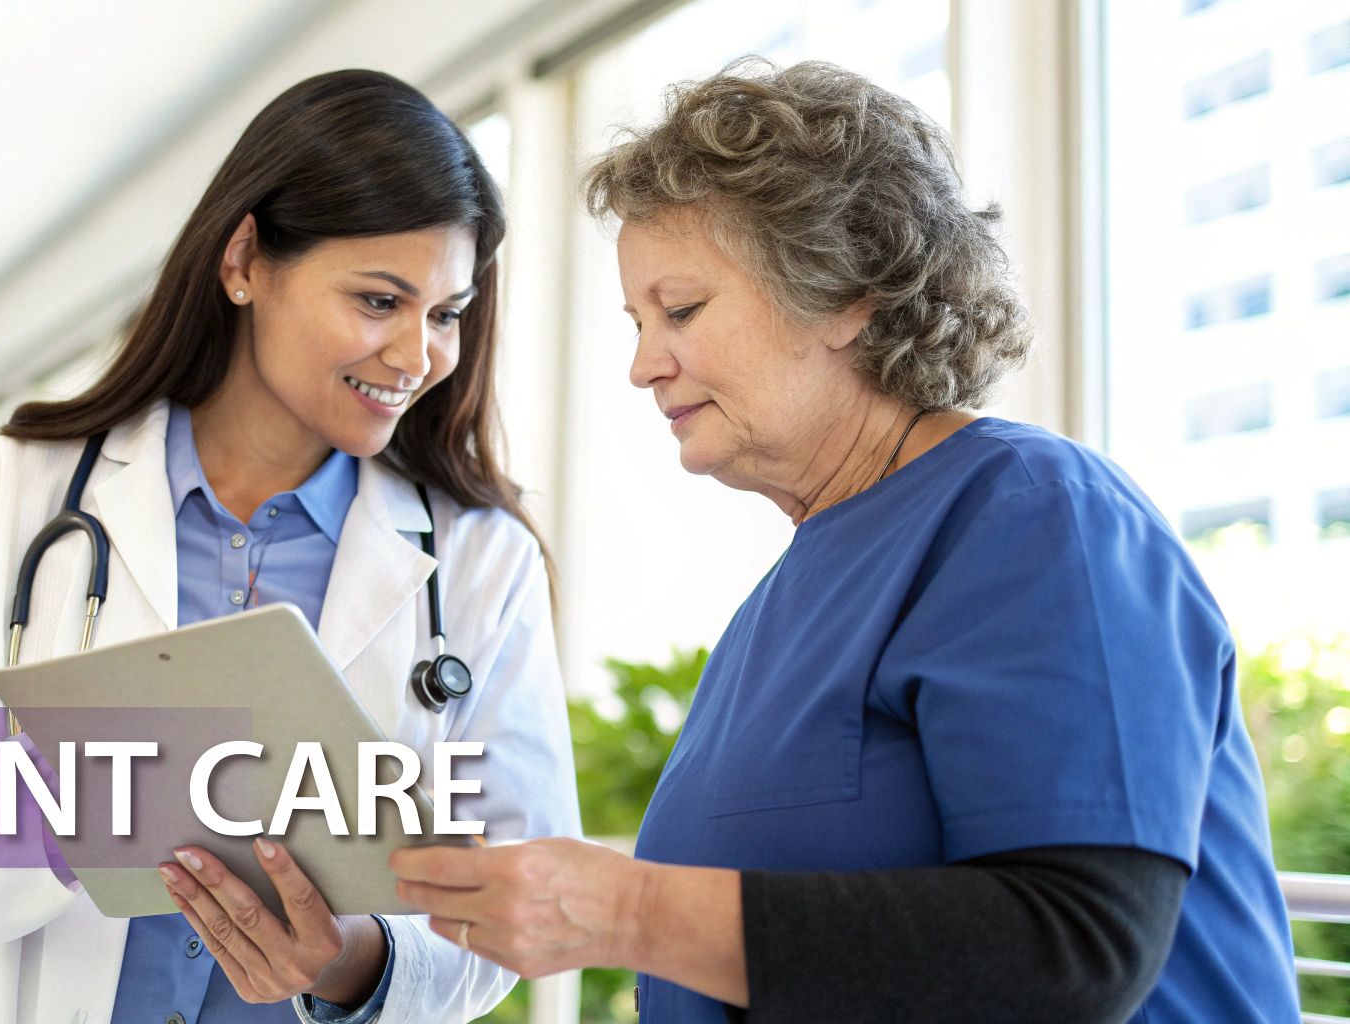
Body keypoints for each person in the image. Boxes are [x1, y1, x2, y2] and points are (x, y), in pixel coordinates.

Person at [391, 58, 1300, 1022]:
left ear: (846, 291)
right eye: (638, 320)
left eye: (683, 310)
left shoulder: (1038, 515)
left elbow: (1077, 947)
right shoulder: (781, 601)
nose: (643, 365)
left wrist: (630, 910)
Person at [0, 69, 580, 1024]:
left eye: (444, 314)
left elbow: (514, 908)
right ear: (244, 261)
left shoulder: (479, 561)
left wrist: (350, 959)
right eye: (377, 300)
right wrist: (104, 804)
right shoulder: (11, 497)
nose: (417, 356)